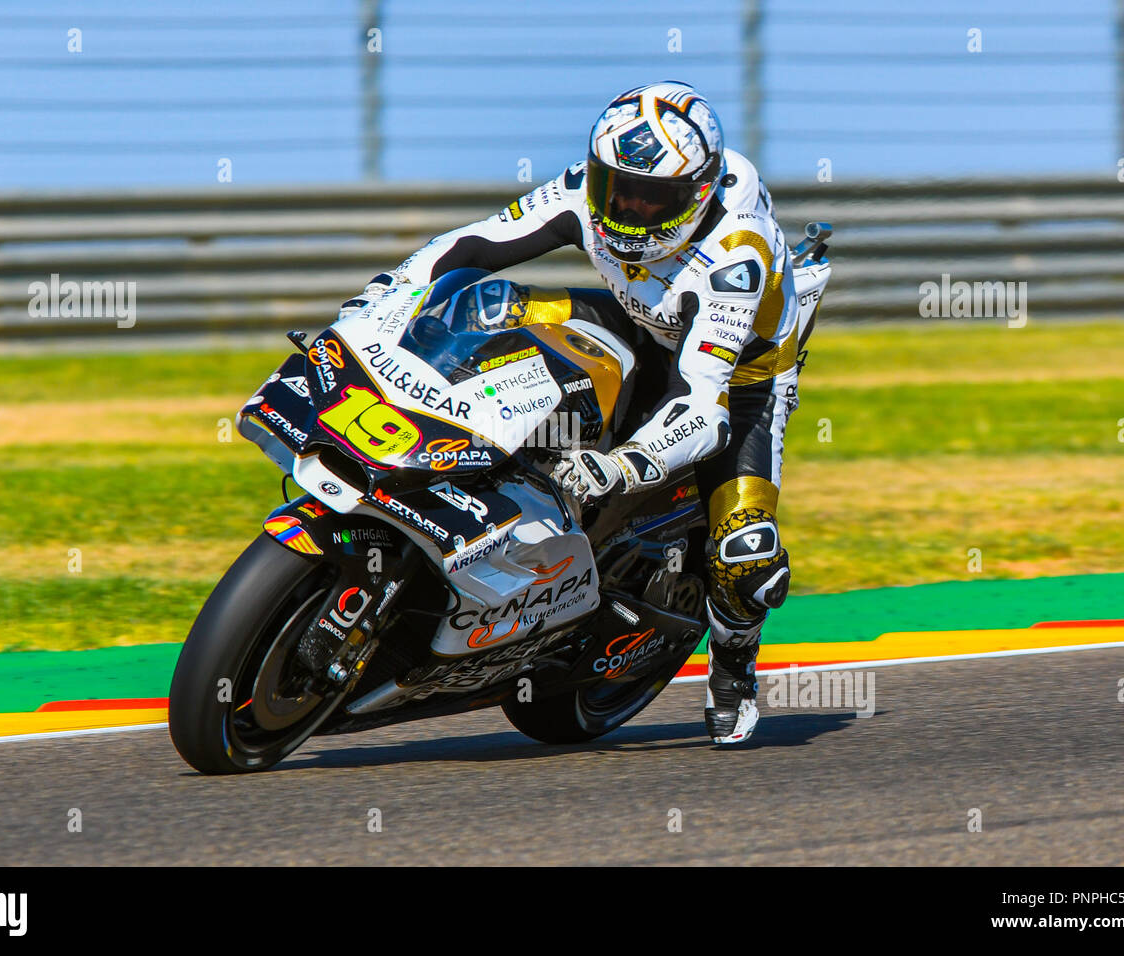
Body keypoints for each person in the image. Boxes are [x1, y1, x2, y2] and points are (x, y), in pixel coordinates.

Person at [340, 81, 812, 745]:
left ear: (699, 193)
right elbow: (474, 244)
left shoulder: (735, 258)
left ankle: (734, 666)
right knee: (490, 306)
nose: (630, 207)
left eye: (654, 197)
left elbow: (704, 407)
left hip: (740, 379)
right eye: (618, 187)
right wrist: (387, 295)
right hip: (641, 325)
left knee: (743, 554)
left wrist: (621, 467)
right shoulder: (584, 193)